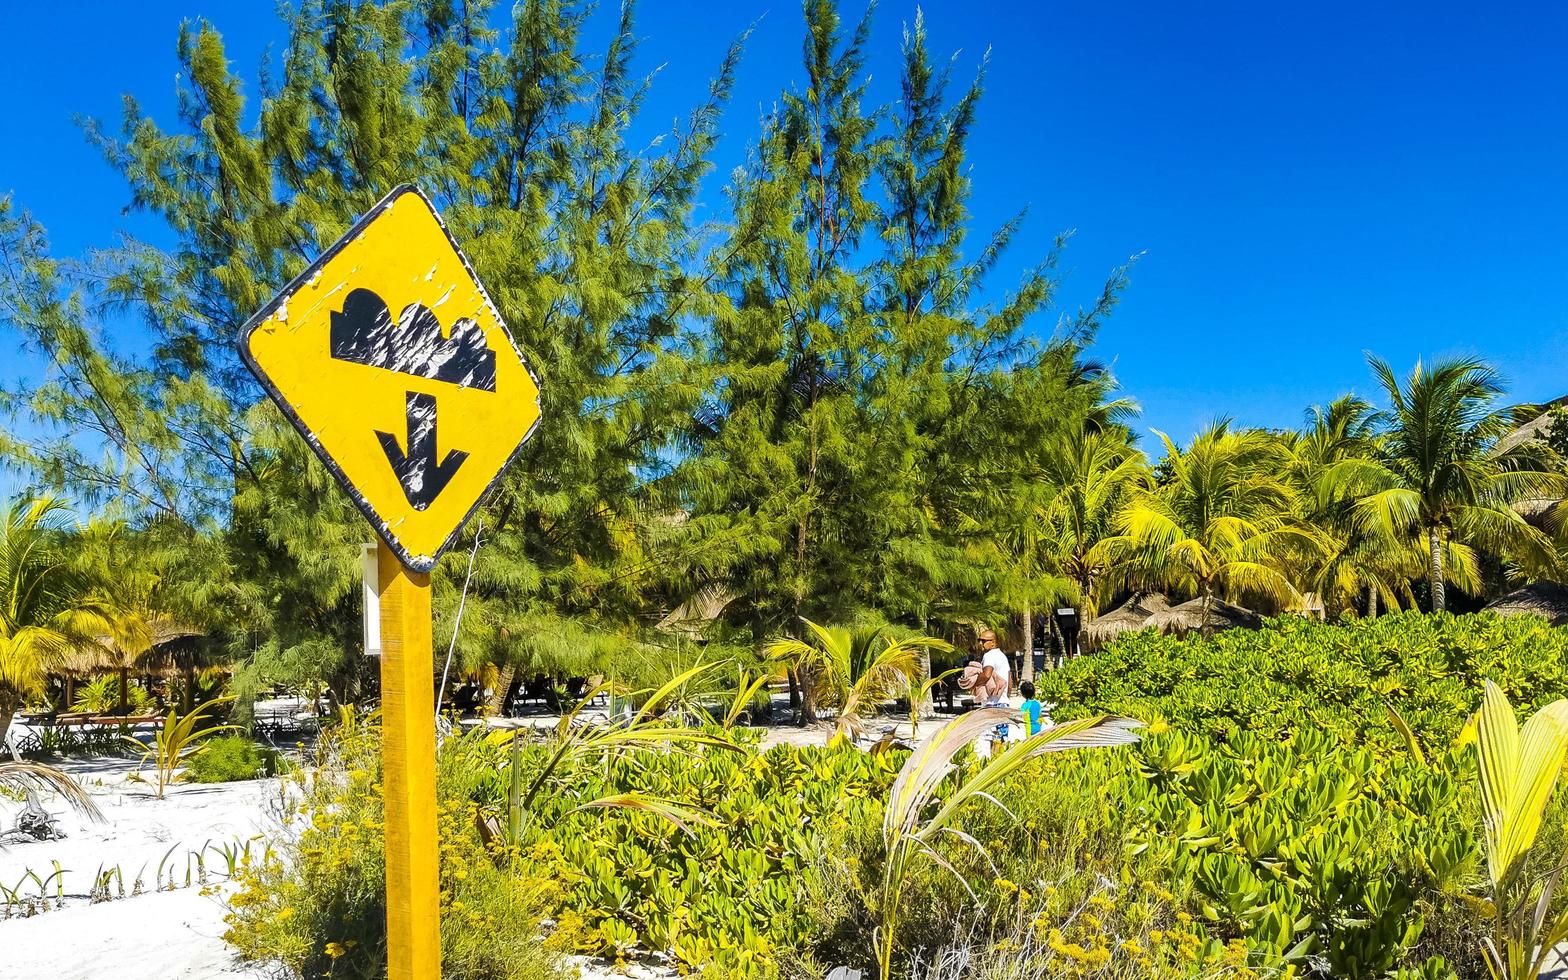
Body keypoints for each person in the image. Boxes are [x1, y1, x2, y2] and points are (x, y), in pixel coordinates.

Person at [975, 629, 1010, 707]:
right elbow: (1009, 680)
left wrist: (974, 683)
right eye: (979, 640)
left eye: (984, 641)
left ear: (993, 643)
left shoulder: (989, 655)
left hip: (992, 703)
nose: (981, 643)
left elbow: (986, 675)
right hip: (1003, 702)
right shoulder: (1002, 656)